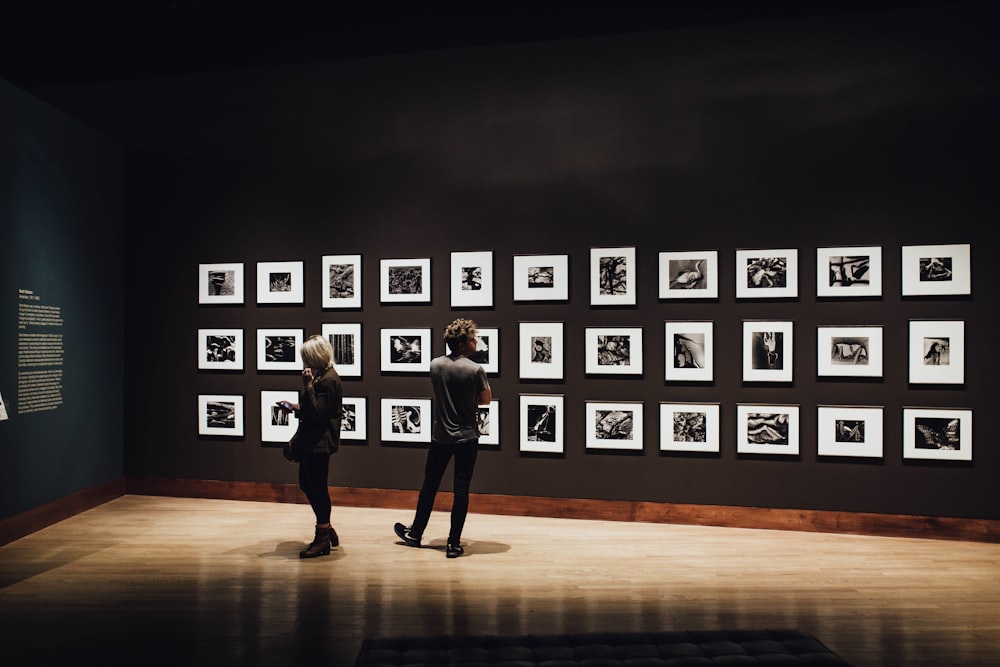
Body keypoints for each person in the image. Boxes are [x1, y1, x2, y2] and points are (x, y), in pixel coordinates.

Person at [394, 318, 491, 558]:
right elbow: (486, 400)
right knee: (461, 489)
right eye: (471, 338)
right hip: (466, 438)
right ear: (460, 344)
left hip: (440, 437)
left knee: (429, 486)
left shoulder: (435, 365)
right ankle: (453, 543)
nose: (475, 341)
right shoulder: (475, 370)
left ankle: (415, 533)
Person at [278, 334, 343, 559]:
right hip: (314, 441)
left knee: (317, 487)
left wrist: (306, 386)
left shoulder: (328, 380)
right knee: (307, 484)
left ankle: (322, 537)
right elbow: (315, 409)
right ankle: (326, 527)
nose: (303, 361)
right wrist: (296, 406)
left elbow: (316, 412)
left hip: (320, 443)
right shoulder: (323, 376)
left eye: (306, 357)